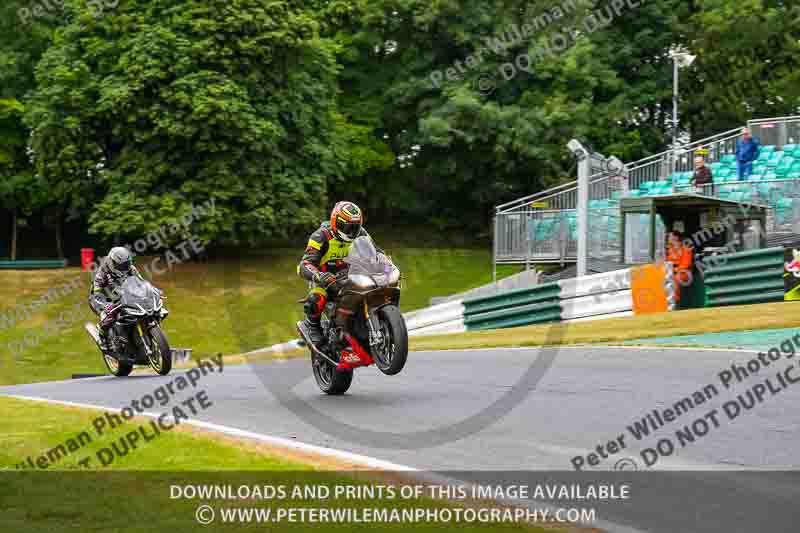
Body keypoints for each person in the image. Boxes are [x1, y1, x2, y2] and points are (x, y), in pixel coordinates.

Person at [297, 201, 377, 346]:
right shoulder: (321, 236)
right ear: (335, 222)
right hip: (325, 278)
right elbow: (305, 264)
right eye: (346, 227)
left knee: (374, 288)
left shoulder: (362, 233)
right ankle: (312, 326)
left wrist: (385, 265)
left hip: (352, 275)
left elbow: (376, 253)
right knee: (316, 299)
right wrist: (318, 276)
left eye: (355, 226)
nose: (351, 231)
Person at [88, 246, 144, 351]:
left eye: (126, 264)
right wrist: (105, 305)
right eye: (121, 265)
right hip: (100, 298)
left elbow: (141, 282)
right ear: (112, 262)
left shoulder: (131, 268)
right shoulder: (102, 271)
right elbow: (97, 291)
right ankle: (103, 337)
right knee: (109, 315)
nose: (124, 267)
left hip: (120, 295)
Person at [666, 230, 693, 305]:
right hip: (670, 271)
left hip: (684, 272)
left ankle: (675, 302)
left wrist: (674, 270)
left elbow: (686, 264)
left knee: (675, 279)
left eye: (670, 236)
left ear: (676, 237)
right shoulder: (669, 249)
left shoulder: (685, 248)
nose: (668, 238)